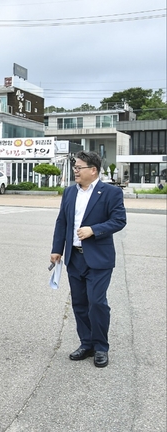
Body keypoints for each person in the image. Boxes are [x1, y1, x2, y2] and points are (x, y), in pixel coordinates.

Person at [50, 150, 126, 368]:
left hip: (99, 258)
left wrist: (94, 230)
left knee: (97, 302)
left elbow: (119, 220)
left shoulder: (110, 192)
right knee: (80, 303)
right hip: (75, 258)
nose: (75, 171)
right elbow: (61, 222)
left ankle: (101, 346)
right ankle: (87, 343)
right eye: (74, 167)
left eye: (78, 167)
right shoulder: (69, 192)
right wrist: (57, 250)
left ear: (93, 171)